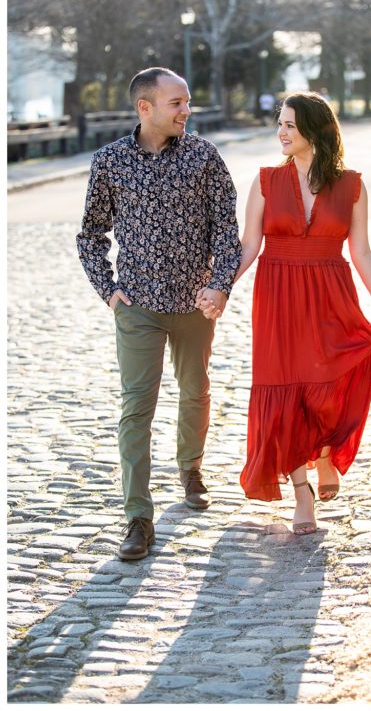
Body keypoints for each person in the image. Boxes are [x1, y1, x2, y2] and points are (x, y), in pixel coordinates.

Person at [215, 91, 371, 535]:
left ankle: (323, 454)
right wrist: (220, 288)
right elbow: (249, 246)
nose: (280, 132)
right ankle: (303, 492)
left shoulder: (352, 185)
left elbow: (361, 251)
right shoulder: (264, 182)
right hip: (278, 297)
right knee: (284, 390)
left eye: (289, 126)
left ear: (314, 131)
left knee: (325, 386)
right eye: (279, 124)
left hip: (330, 295)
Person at [77, 67, 241, 561]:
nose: (186, 110)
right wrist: (108, 290)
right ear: (144, 107)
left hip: (194, 303)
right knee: (136, 408)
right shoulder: (109, 162)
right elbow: (90, 234)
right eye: (176, 103)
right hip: (138, 306)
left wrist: (219, 284)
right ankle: (138, 517)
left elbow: (226, 230)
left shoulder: (204, 156)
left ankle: (190, 467)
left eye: (187, 101)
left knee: (196, 391)